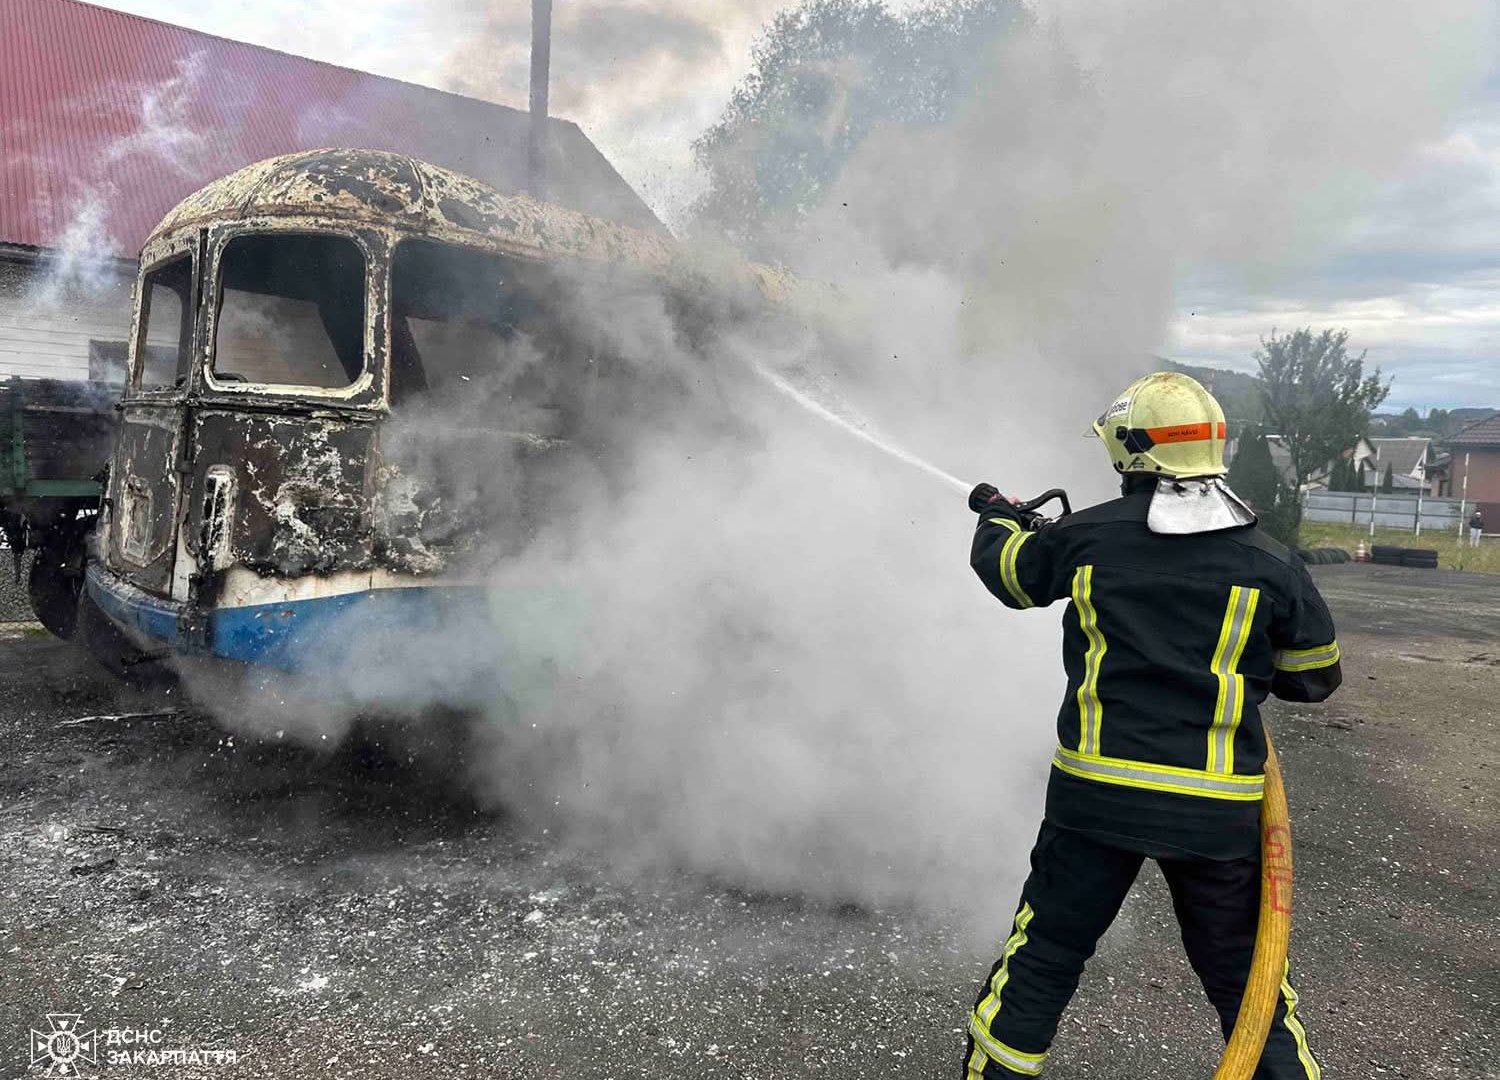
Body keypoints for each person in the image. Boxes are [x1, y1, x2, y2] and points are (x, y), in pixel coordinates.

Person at [962, 371, 1341, 1079]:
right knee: (1250, 987)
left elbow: (1010, 576)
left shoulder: (1087, 535)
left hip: (1095, 802)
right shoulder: (1271, 560)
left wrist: (1000, 519)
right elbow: (1313, 677)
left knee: (1042, 962)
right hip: (1216, 813)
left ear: (1127, 450)